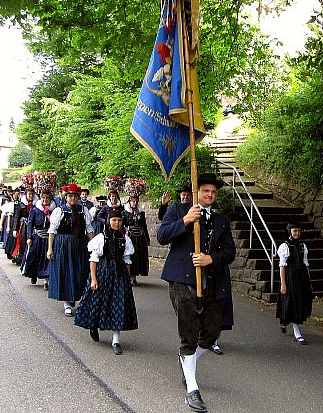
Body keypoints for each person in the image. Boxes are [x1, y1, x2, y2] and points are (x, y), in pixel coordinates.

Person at [157, 173, 236, 413]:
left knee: (211, 334)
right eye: (206, 191)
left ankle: (186, 362)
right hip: (182, 279)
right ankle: (192, 388)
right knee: (189, 330)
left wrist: (210, 258)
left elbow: (229, 252)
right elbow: (162, 236)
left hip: (212, 282)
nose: (210, 195)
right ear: (196, 191)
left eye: (213, 192)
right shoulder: (179, 209)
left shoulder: (221, 221)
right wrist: (186, 221)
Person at [74, 208, 138, 355]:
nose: (117, 223)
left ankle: (116, 340)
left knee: (118, 305)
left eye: (119, 220)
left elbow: (127, 260)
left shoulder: (125, 239)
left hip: (119, 275)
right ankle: (93, 326)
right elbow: (94, 260)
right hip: (103, 273)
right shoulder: (101, 238)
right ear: (109, 222)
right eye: (114, 220)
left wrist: (127, 278)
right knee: (98, 302)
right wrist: (94, 279)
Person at [47, 183, 95, 317]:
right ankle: (67, 303)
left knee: (80, 271)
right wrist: (50, 249)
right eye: (70, 196)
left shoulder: (83, 210)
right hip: (63, 244)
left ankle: (76, 297)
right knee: (66, 272)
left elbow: (89, 229)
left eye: (75, 196)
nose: (73, 198)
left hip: (80, 244)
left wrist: (95, 245)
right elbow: (52, 231)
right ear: (66, 197)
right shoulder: (59, 211)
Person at [276, 222, 313, 345]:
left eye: (298, 231)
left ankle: (285, 321)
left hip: (301, 277)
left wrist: (309, 281)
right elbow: (282, 265)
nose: (297, 233)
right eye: (294, 231)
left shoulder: (303, 246)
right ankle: (297, 333)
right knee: (291, 302)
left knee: (299, 302)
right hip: (290, 276)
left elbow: (306, 263)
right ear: (290, 232)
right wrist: (283, 283)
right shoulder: (284, 246)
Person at [24, 190, 57, 290]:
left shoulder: (54, 210)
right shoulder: (35, 210)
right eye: (43, 198)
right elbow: (30, 224)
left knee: (48, 259)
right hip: (37, 236)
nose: (45, 200)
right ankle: (33, 275)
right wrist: (29, 237)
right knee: (34, 257)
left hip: (49, 237)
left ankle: (46, 280)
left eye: (47, 198)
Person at [122, 179, 150, 286]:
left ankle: (135, 275)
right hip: (129, 236)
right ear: (129, 201)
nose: (134, 203)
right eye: (132, 201)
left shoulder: (140, 213)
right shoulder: (125, 212)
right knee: (130, 255)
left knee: (138, 255)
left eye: (136, 201)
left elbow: (144, 225)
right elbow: (122, 225)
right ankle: (130, 275)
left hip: (139, 237)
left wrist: (147, 238)